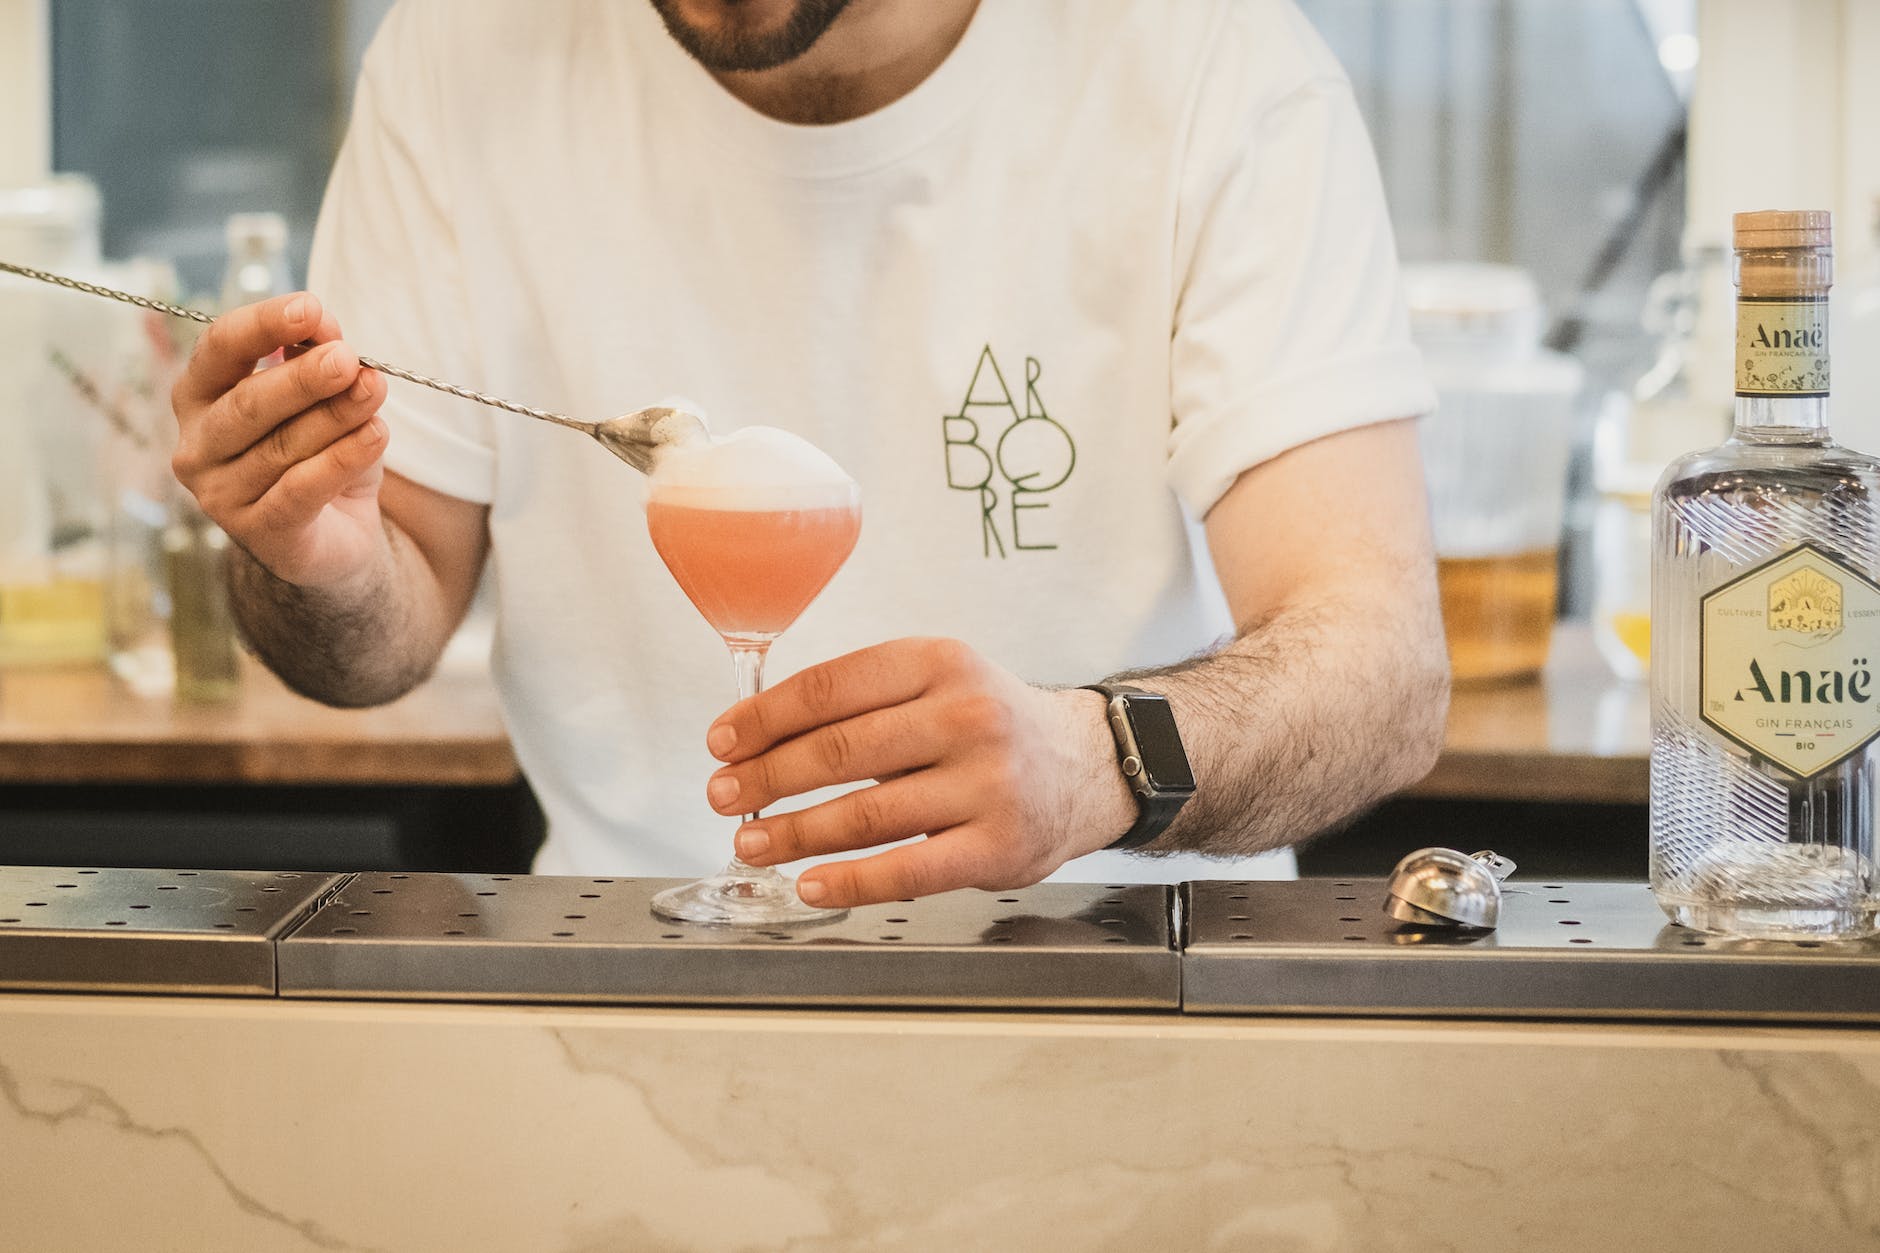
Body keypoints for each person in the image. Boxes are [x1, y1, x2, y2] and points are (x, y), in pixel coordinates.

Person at [170, 0, 1449, 906]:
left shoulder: (1211, 68)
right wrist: (314, 556)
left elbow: (1377, 664)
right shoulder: (460, 56)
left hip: (1107, 992)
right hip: (627, 992)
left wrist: (1097, 760)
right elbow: (373, 634)